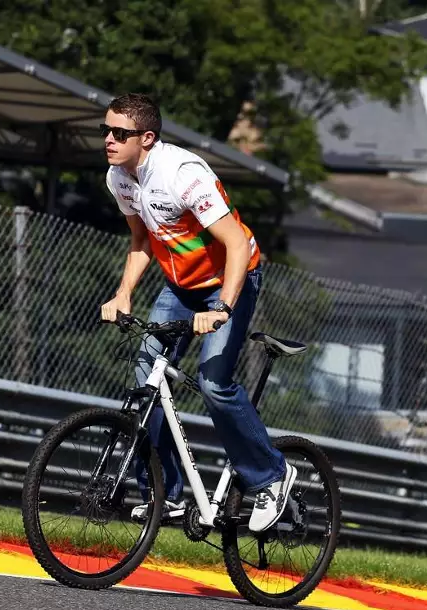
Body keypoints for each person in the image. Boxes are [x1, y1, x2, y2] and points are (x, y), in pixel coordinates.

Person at [98, 93, 296, 533]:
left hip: (232, 279)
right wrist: (123, 293)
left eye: (119, 133)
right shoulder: (119, 178)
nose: (109, 140)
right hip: (182, 286)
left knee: (213, 383)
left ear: (146, 138)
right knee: (146, 375)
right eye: (105, 131)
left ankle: (271, 478)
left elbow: (237, 245)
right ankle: (163, 494)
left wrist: (223, 307)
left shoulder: (183, 175)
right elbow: (141, 241)